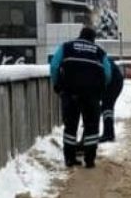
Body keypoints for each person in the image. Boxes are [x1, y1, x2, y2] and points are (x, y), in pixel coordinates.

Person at [50, 27, 111, 168]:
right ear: (93, 39)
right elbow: (107, 73)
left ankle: (70, 159)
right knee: (91, 127)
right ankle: (89, 160)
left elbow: (54, 66)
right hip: (91, 95)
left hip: (70, 93)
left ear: (80, 36)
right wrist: (101, 88)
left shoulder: (66, 47)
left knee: (70, 127)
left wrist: (58, 84)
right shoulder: (99, 51)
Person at [99, 57, 124, 143]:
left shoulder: (96, 57)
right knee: (106, 106)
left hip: (112, 81)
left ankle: (108, 134)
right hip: (114, 80)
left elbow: (107, 74)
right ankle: (108, 133)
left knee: (107, 106)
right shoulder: (97, 54)